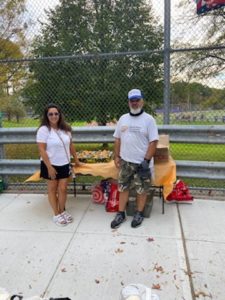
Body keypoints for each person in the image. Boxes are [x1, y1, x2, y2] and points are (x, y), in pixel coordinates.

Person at [111, 89, 159, 229]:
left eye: (137, 100)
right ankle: (121, 213)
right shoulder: (123, 118)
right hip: (125, 161)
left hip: (141, 163)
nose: (135, 103)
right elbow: (117, 139)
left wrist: (146, 160)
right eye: (132, 100)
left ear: (142, 101)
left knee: (141, 190)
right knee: (123, 187)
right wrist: (117, 155)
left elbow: (153, 142)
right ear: (128, 102)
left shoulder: (149, 120)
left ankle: (139, 213)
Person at [36, 103, 81, 226]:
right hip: (50, 164)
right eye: (50, 114)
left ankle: (62, 211)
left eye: (56, 113)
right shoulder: (43, 130)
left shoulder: (65, 128)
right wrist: (49, 167)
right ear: (46, 116)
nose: (54, 116)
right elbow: (42, 150)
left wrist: (76, 160)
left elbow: (70, 145)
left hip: (64, 163)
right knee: (52, 189)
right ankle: (56, 214)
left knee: (63, 189)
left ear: (59, 115)